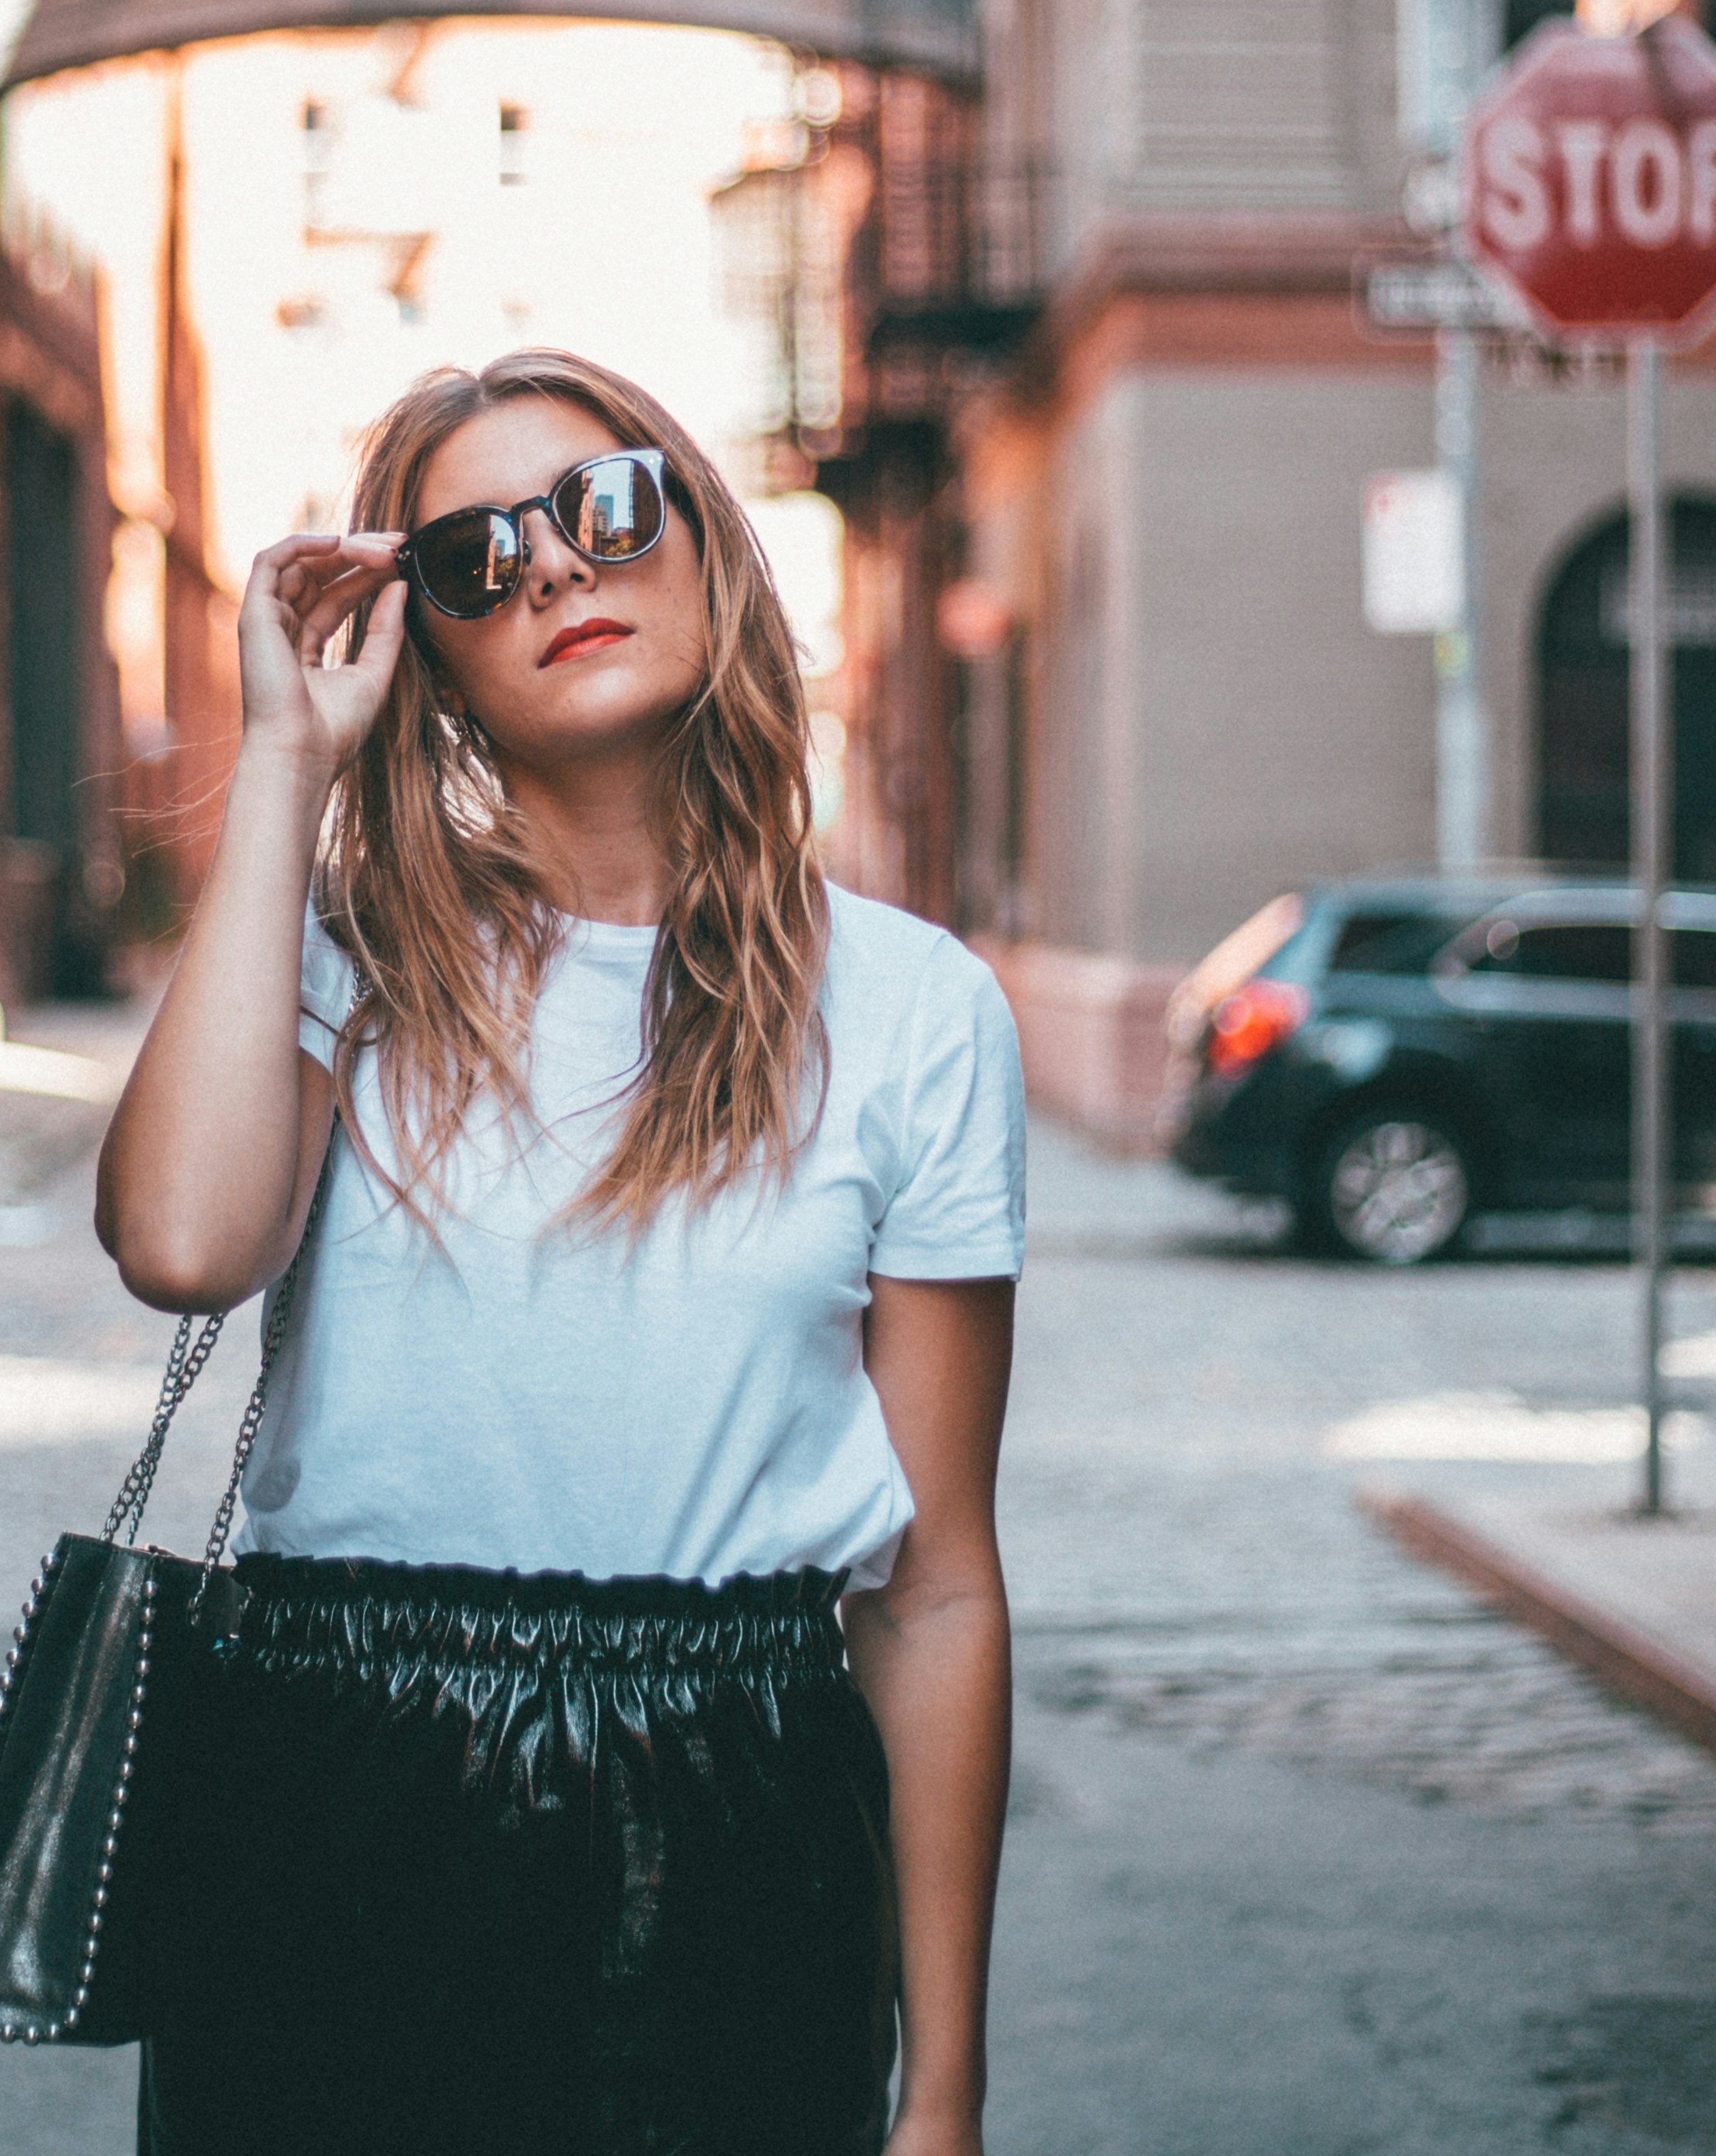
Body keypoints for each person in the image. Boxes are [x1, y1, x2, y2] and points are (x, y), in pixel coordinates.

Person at [97, 349, 1024, 2156]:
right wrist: (288, 763)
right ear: (425, 650)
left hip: (737, 1797)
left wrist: (949, 2095)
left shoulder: (917, 1010)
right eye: (467, 559)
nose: (547, 569)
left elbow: (935, 1588)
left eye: (601, 507)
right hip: (343, 1778)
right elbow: (185, 1243)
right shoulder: (342, 962)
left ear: (706, 545)